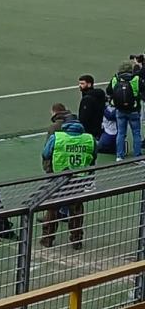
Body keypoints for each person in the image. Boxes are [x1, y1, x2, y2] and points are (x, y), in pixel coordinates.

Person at [40, 118, 95, 249]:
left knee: (52, 209)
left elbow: (45, 153)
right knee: (76, 211)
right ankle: (76, 240)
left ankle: (48, 239)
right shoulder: (89, 139)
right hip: (78, 179)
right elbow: (93, 157)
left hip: (58, 178)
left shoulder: (57, 137)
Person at [108, 61, 142, 160]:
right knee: (136, 133)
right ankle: (137, 155)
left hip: (120, 110)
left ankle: (120, 155)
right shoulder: (136, 79)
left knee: (121, 133)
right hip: (134, 110)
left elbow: (109, 91)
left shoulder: (115, 79)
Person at [77, 74, 108, 143]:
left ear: (89, 84)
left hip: (90, 129)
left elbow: (84, 117)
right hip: (99, 127)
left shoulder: (87, 99)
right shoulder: (98, 95)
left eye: (82, 83)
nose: (80, 85)